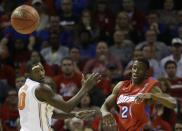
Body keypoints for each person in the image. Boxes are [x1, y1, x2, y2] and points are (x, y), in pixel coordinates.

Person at [18, 61, 100, 131]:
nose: (41, 73)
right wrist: (85, 88)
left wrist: (74, 114)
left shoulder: (22, 89)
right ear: (27, 75)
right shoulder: (40, 88)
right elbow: (67, 107)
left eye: (42, 69)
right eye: (36, 71)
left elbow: (52, 114)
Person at [101, 58, 176, 131]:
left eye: (140, 69)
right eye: (134, 68)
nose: (136, 71)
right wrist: (105, 113)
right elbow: (105, 105)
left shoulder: (151, 88)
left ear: (146, 72)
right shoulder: (121, 86)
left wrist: (152, 96)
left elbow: (173, 104)